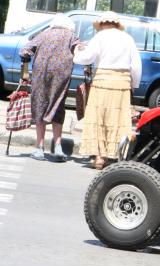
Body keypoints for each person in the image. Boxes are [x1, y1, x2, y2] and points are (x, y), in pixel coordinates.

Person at [73, 11, 141, 169]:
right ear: (117, 24)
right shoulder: (128, 38)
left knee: (99, 119)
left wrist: (77, 52)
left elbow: (86, 58)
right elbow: (136, 66)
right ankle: (114, 156)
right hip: (122, 84)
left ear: (102, 24)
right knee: (117, 120)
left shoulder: (99, 37)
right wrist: (133, 85)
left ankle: (99, 157)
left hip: (102, 81)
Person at [19, 14, 80, 161]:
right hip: (61, 76)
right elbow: (80, 50)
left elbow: (24, 51)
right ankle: (58, 147)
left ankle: (39, 148)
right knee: (57, 106)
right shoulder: (72, 35)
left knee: (40, 105)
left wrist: (25, 69)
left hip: (41, 75)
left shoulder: (43, 34)